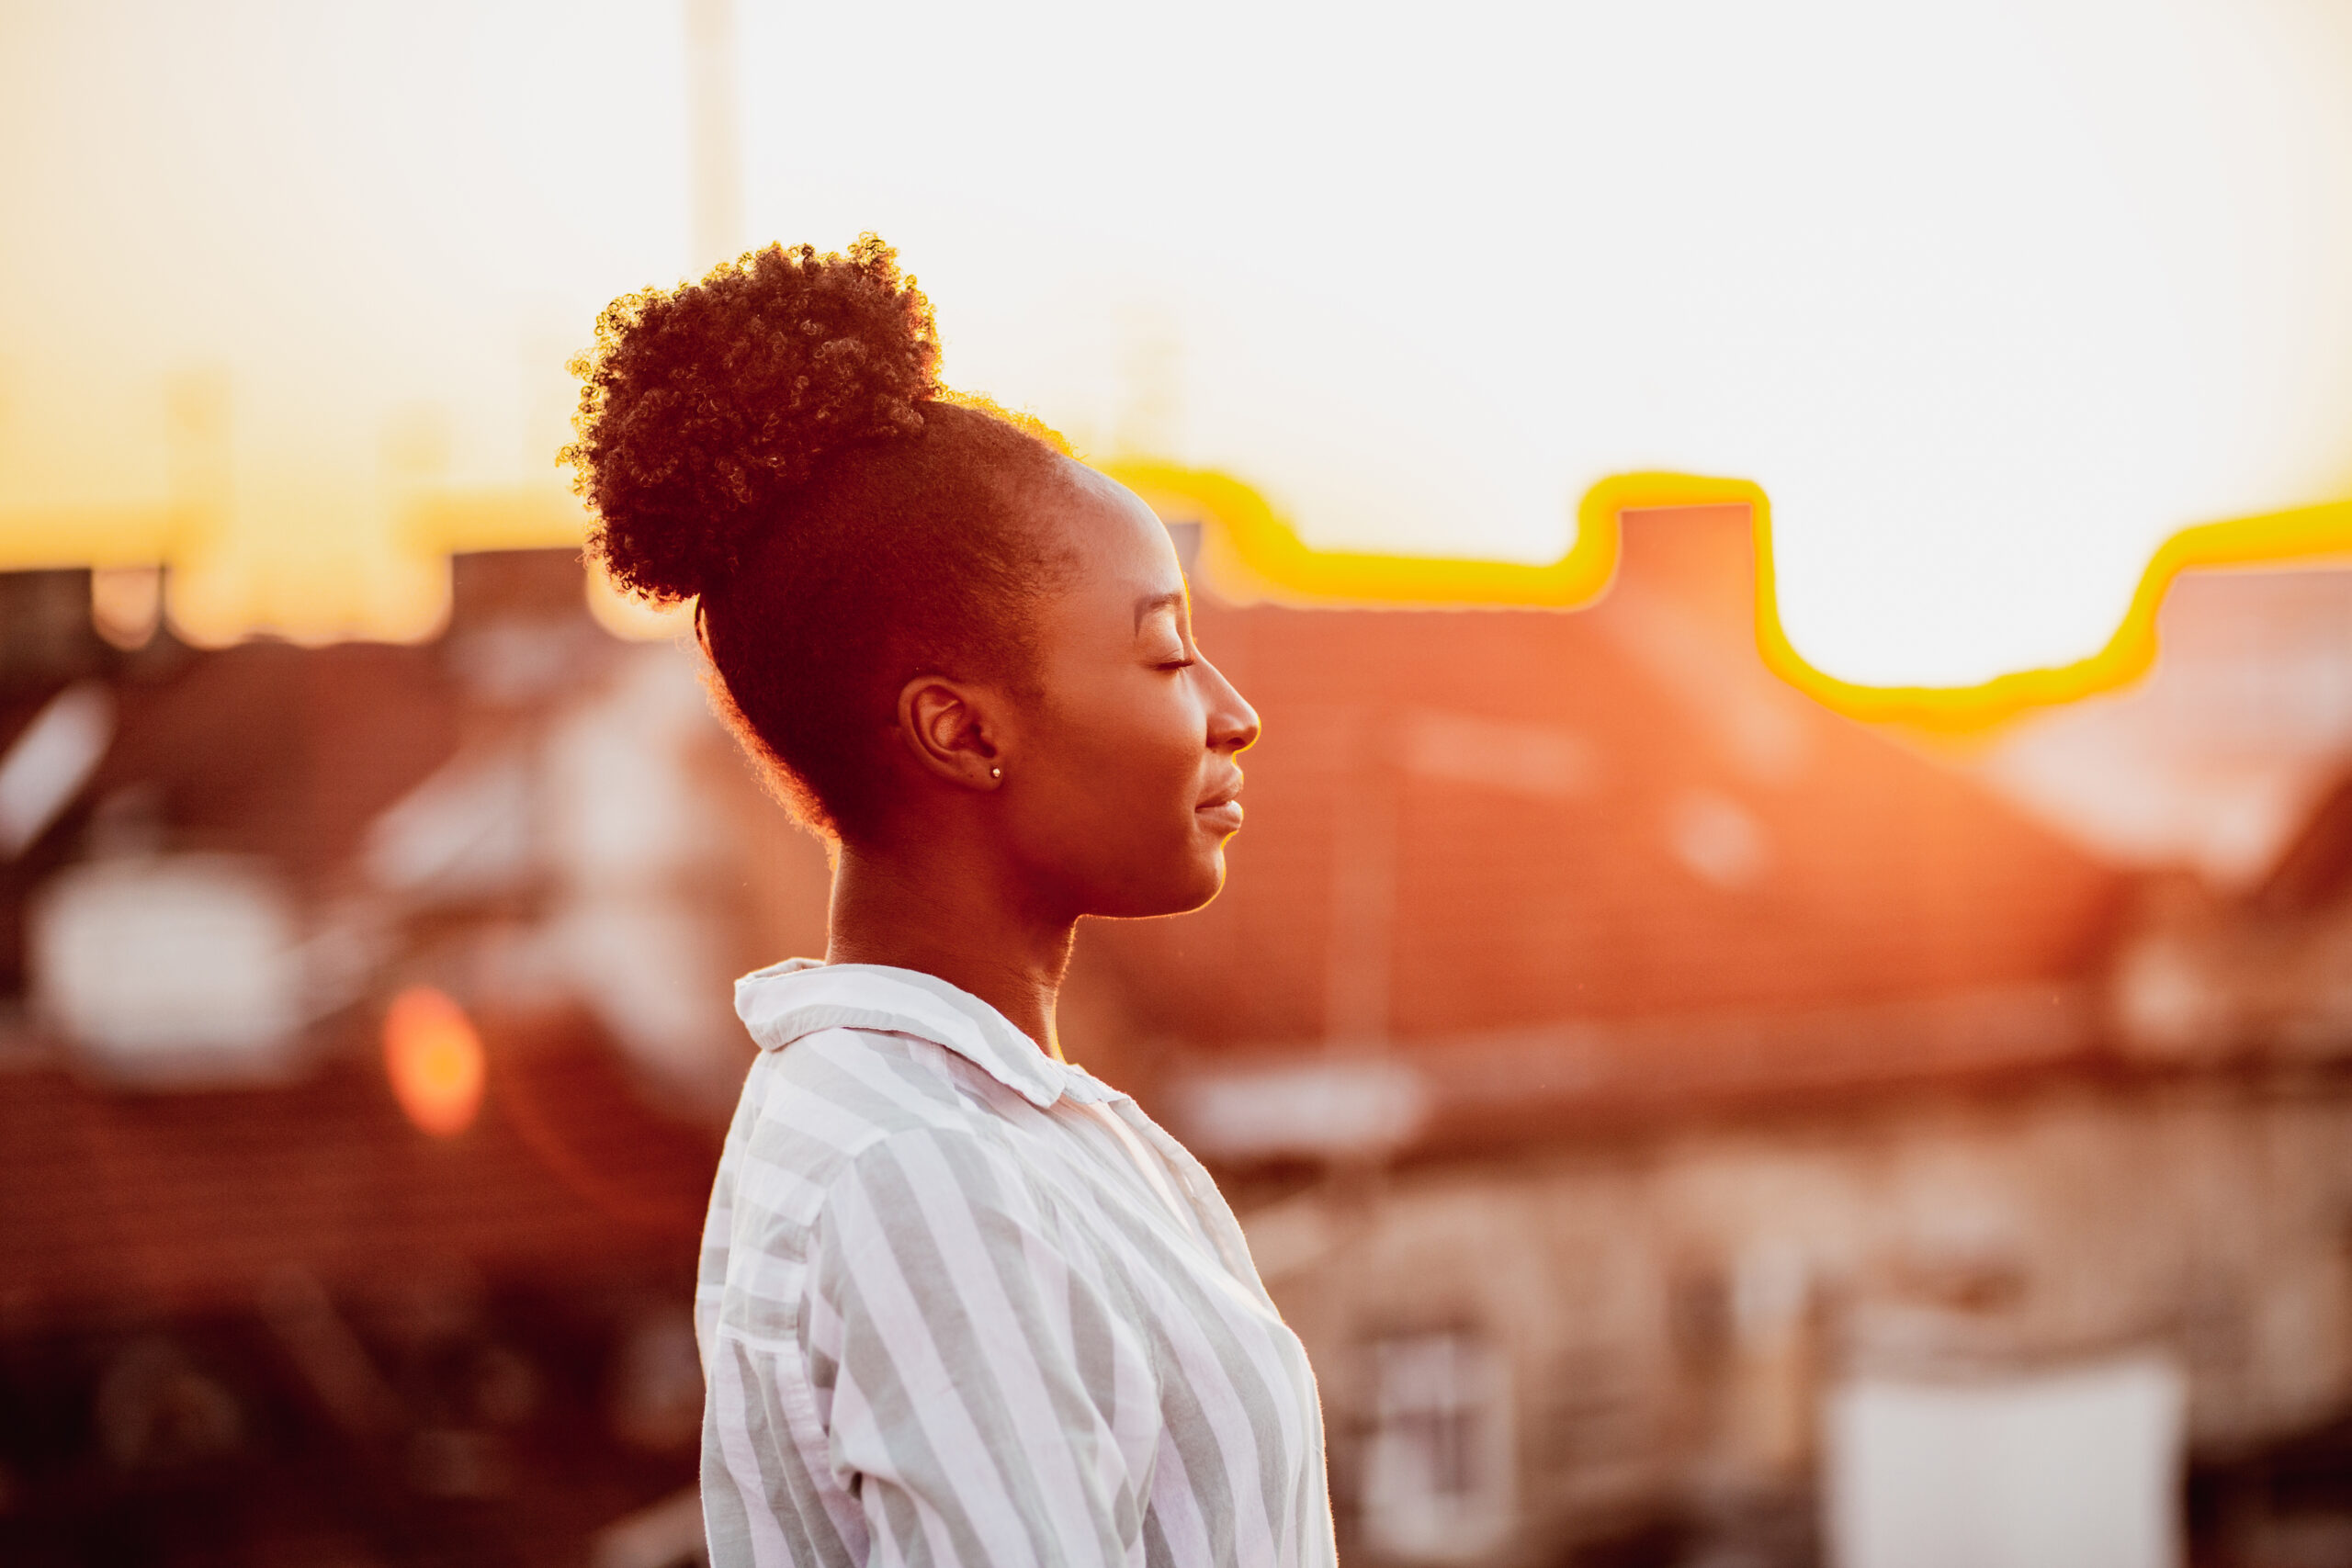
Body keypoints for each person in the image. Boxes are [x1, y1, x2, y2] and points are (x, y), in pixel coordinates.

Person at [564, 237, 1334, 1568]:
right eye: (1163, 652)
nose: (1234, 714)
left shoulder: (1022, 1132)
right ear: (960, 733)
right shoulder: (921, 1172)